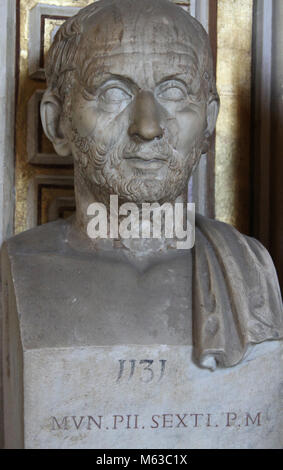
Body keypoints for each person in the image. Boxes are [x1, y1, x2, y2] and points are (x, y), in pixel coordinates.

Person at [3, 0, 283, 371]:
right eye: (112, 92)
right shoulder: (18, 268)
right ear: (57, 123)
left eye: (175, 91)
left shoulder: (251, 271)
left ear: (209, 124)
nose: (148, 127)